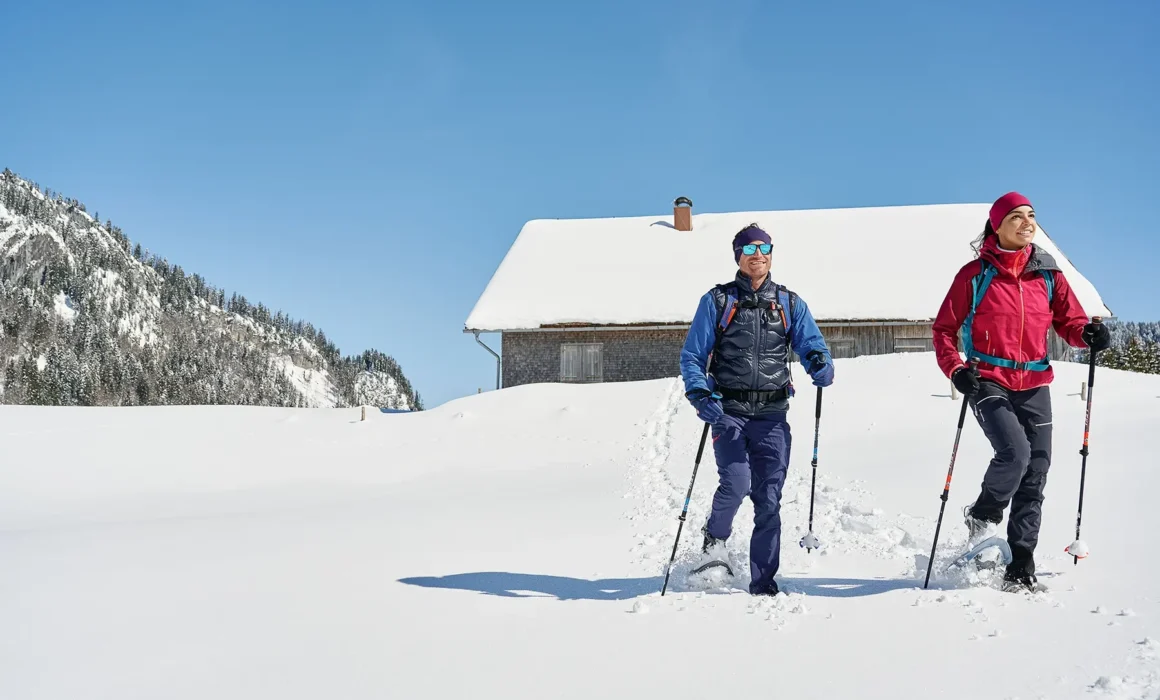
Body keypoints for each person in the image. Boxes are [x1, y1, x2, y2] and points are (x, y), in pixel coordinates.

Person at [932, 192, 1110, 592]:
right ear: (997, 225)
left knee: (1037, 471)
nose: (1027, 222)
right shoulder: (974, 275)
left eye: (1031, 215)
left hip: (1034, 383)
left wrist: (1088, 334)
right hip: (987, 379)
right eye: (1017, 216)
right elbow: (943, 329)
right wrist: (956, 369)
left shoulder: (1049, 275)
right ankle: (983, 513)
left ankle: (1021, 565)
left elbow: (1071, 322)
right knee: (1016, 453)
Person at [679, 223, 834, 596]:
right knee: (735, 484)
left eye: (764, 248)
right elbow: (692, 356)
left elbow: (811, 343)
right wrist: (700, 394)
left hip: (772, 415)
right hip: (728, 411)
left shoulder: (789, 303)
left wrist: (818, 362)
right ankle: (714, 539)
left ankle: (763, 582)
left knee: (769, 499)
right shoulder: (717, 301)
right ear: (738, 256)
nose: (757, 255)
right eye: (749, 250)